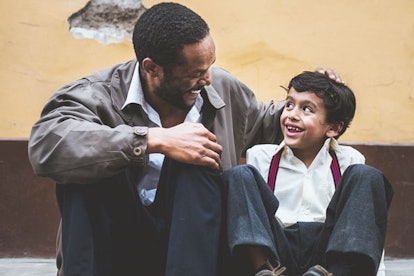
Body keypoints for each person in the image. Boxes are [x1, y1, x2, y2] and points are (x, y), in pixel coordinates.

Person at [28, 2, 342, 276]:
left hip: (197, 249)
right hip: (117, 245)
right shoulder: (95, 95)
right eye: (194, 73)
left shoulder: (219, 88)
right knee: (89, 170)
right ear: (152, 68)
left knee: (199, 156)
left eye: (209, 67)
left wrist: (317, 104)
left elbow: (265, 123)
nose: (206, 79)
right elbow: (47, 144)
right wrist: (153, 140)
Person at [222, 71, 393, 276]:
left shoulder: (349, 160)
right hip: (276, 258)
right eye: (289, 104)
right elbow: (252, 221)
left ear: (333, 128)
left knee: (368, 176)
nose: (292, 114)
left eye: (307, 109)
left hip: (327, 261)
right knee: (239, 175)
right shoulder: (261, 156)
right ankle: (264, 271)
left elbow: (363, 227)